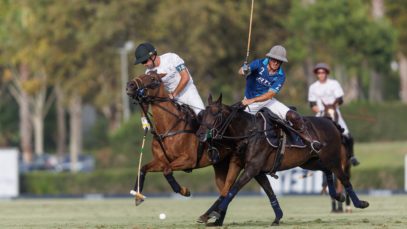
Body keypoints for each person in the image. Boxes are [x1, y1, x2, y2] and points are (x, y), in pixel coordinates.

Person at [238, 45, 321, 152]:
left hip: (266, 101)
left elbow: (270, 95)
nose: (276, 62)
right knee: (241, 129)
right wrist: (244, 69)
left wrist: (253, 100)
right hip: (249, 102)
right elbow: (241, 71)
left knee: (293, 115)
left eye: (279, 61)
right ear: (269, 58)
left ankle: (309, 142)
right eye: (274, 59)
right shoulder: (258, 64)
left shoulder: (281, 75)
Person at [134, 42, 205, 130]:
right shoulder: (148, 73)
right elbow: (147, 96)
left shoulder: (172, 58)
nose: (144, 64)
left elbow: (185, 77)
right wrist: (144, 119)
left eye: (145, 61)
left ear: (153, 56)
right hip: (173, 99)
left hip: (188, 91)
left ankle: (211, 140)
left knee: (202, 116)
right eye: (142, 63)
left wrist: (174, 94)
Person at [308, 62, 360, 166]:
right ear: (317, 74)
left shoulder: (334, 84)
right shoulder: (313, 87)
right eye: (319, 72)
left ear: (326, 73)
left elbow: (340, 99)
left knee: (347, 135)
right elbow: (312, 104)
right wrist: (321, 111)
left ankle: (351, 156)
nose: (321, 74)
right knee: (311, 135)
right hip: (321, 114)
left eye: (323, 72)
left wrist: (332, 107)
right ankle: (310, 157)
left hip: (334, 112)